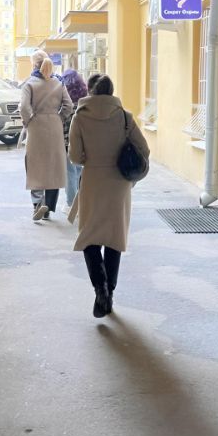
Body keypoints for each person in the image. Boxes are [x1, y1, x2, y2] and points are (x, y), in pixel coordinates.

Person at [68, 74, 150, 317]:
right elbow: (144, 149)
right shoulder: (124, 117)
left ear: (91, 92)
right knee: (114, 238)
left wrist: (91, 157)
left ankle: (100, 288)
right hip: (119, 184)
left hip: (93, 181)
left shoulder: (80, 117)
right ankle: (109, 293)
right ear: (112, 92)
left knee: (89, 237)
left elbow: (75, 157)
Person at [20, 50, 73, 222]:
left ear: (34, 64)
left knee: (35, 164)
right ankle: (49, 207)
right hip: (55, 126)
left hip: (36, 126)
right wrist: (59, 118)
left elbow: (24, 107)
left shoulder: (29, 83)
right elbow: (68, 105)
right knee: (53, 165)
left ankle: (37, 204)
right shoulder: (59, 82)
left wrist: (29, 120)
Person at [59, 68, 88, 208]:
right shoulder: (85, 100)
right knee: (80, 171)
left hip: (67, 141)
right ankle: (81, 201)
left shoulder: (64, 101)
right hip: (83, 141)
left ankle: (71, 204)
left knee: (70, 172)